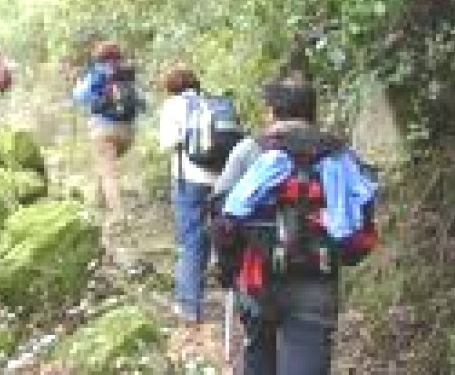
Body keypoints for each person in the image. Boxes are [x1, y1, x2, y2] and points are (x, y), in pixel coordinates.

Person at [210, 78, 379, 375]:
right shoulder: (340, 155)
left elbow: (221, 215)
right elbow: (360, 221)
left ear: (272, 112)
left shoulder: (251, 150)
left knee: (259, 354)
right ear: (313, 112)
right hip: (317, 278)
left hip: (257, 278)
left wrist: (226, 269)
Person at [157, 64, 224, 329]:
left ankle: (188, 305)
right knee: (221, 235)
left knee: (191, 240)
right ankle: (234, 295)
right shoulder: (214, 102)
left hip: (190, 180)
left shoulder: (174, 105)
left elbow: (168, 143)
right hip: (221, 180)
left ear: (171, 86)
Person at [71, 41, 143, 249]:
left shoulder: (98, 72)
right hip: (128, 132)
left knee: (109, 175)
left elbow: (80, 96)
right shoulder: (127, 73)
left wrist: (78, 83)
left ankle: (118, 216)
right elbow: (141, 101)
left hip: (103, 130)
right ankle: (98, 204)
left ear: (99, 57)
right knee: (103, 169)